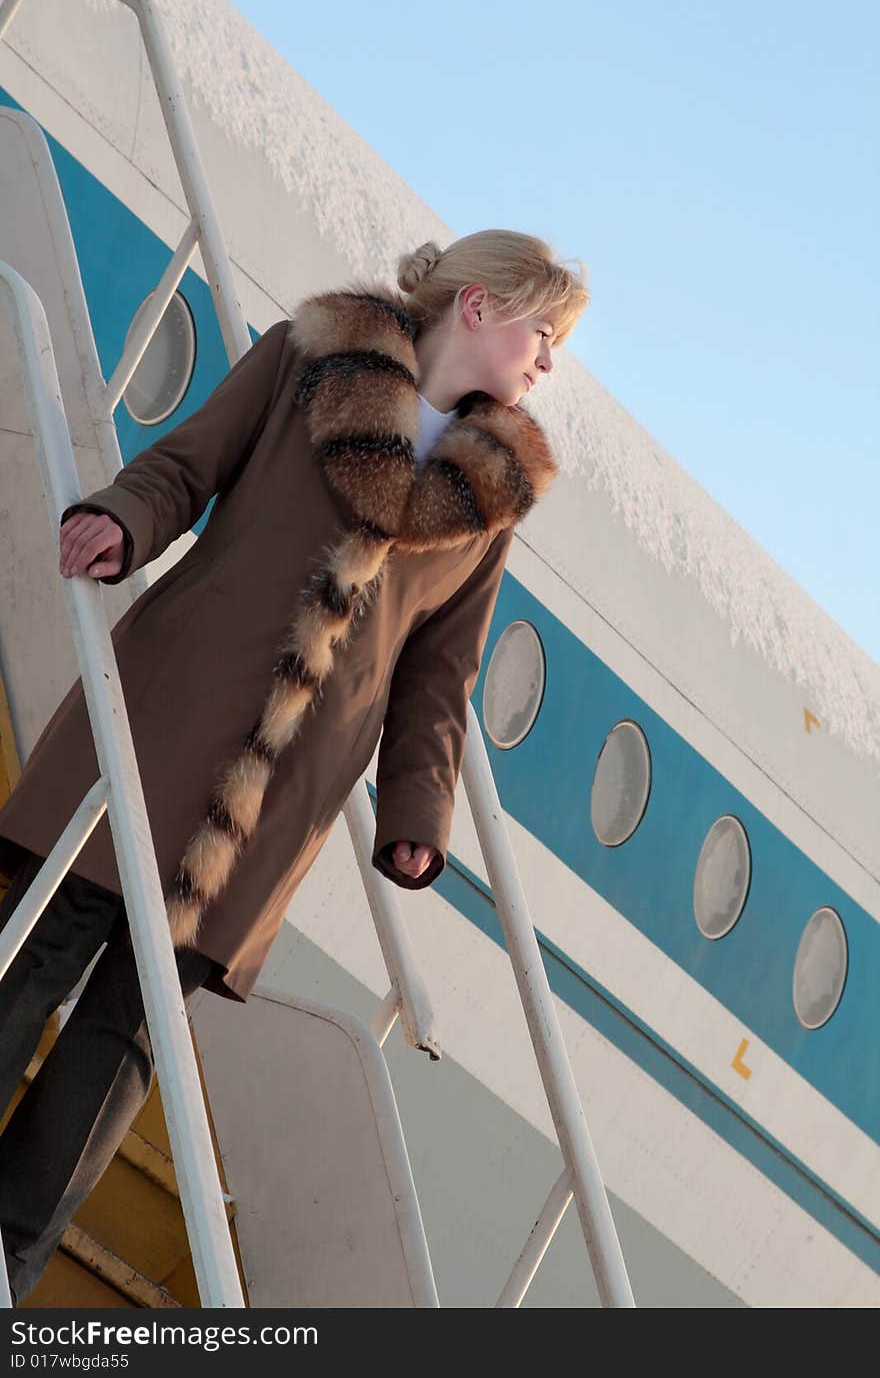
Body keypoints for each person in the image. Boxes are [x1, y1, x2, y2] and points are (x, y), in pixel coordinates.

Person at [0, 229, 588, 1304]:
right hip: (163, 712)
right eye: (542, 335)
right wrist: (121, 523)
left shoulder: (488, 499)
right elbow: (187, 464)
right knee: (28, 957)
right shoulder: (307, 357)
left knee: (129, 1044)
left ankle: (6, 1261)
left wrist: (417, 810)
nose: (548, 364)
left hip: (270, 804)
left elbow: (437, 678)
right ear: (478, 307)